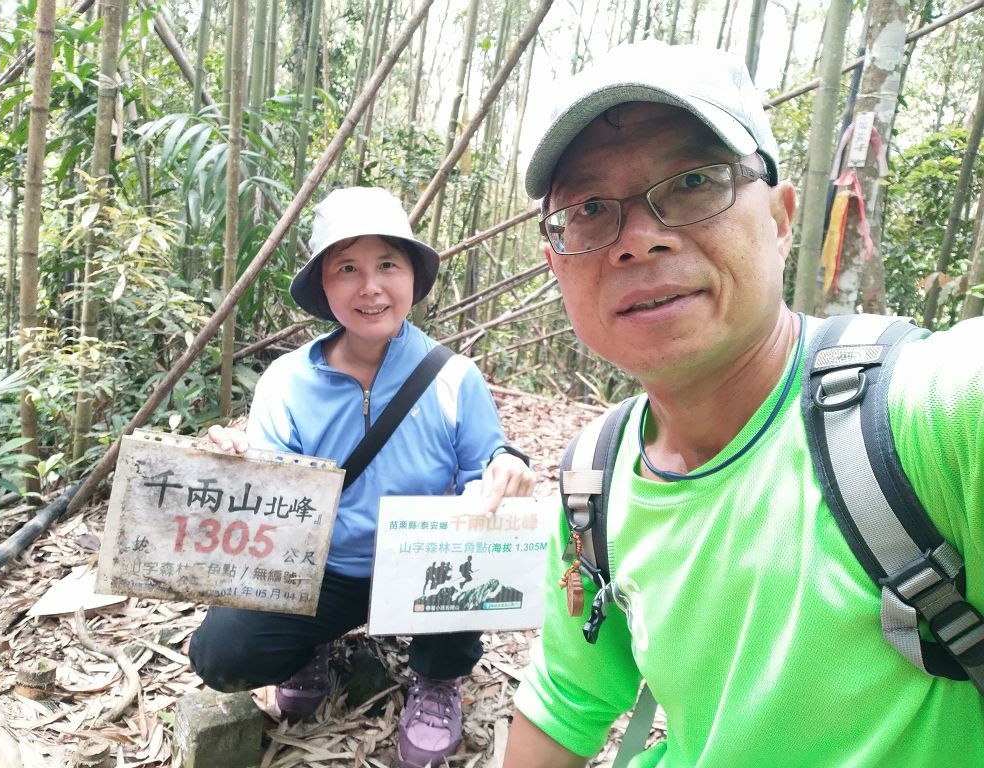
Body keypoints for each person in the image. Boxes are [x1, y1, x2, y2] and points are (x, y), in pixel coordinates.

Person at [502, 40, 984, 768]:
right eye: (592, 207)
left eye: (693, 180)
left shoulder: (919, 417)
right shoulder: (592, 481)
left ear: (783, 218)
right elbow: (567, 698)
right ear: (556, 263)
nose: (637, 241)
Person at [187, 185, 535, 768]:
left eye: (387, 265)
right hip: (323, 569)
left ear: (412, 279)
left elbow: (490, 462)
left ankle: (438, 675)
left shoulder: (454, 377)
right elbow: (275, 499)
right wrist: (236, 465)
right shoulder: (287, 380)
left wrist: (509, 467)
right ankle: (310, 644)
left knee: (475, 555)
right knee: (222, 655)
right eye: (347, 267)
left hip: (426, 567)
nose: (370, 287)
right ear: (324, 285)